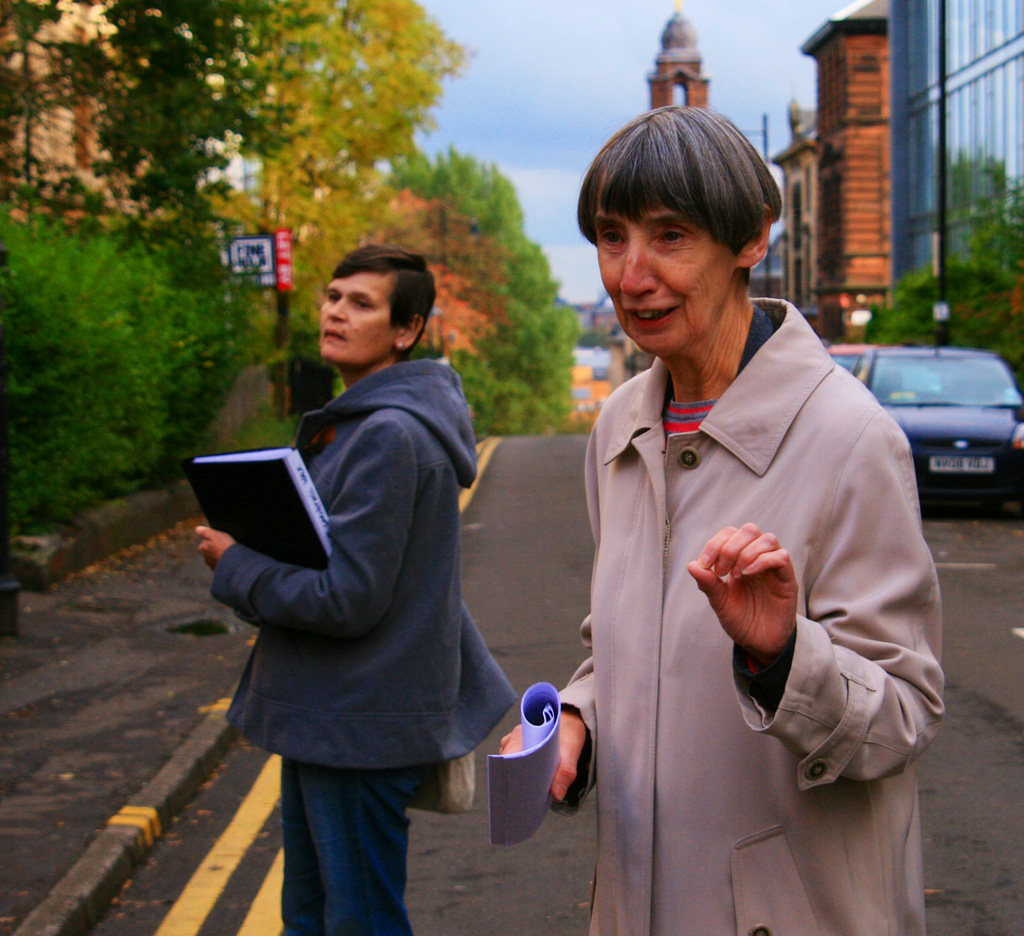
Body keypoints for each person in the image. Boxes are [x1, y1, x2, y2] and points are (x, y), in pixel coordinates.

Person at [501, 106, 944, 935]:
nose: (631, 276)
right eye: (610, 236)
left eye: (670, 236)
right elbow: (625, 648)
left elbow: (904, 716)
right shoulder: (619, 427)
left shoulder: (852, 438)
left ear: (751, 239)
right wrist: (577, 719)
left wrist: (781, 656)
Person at [196, 244, 516, 936]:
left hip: (358, 723)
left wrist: (235, 564)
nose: (336, 312)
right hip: (331, 717)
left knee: (359, 922)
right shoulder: (358, 423)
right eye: (333, 297)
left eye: (361, 303)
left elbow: (348, 597)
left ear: (406, 330)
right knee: (312, 920)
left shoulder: (388, 437)